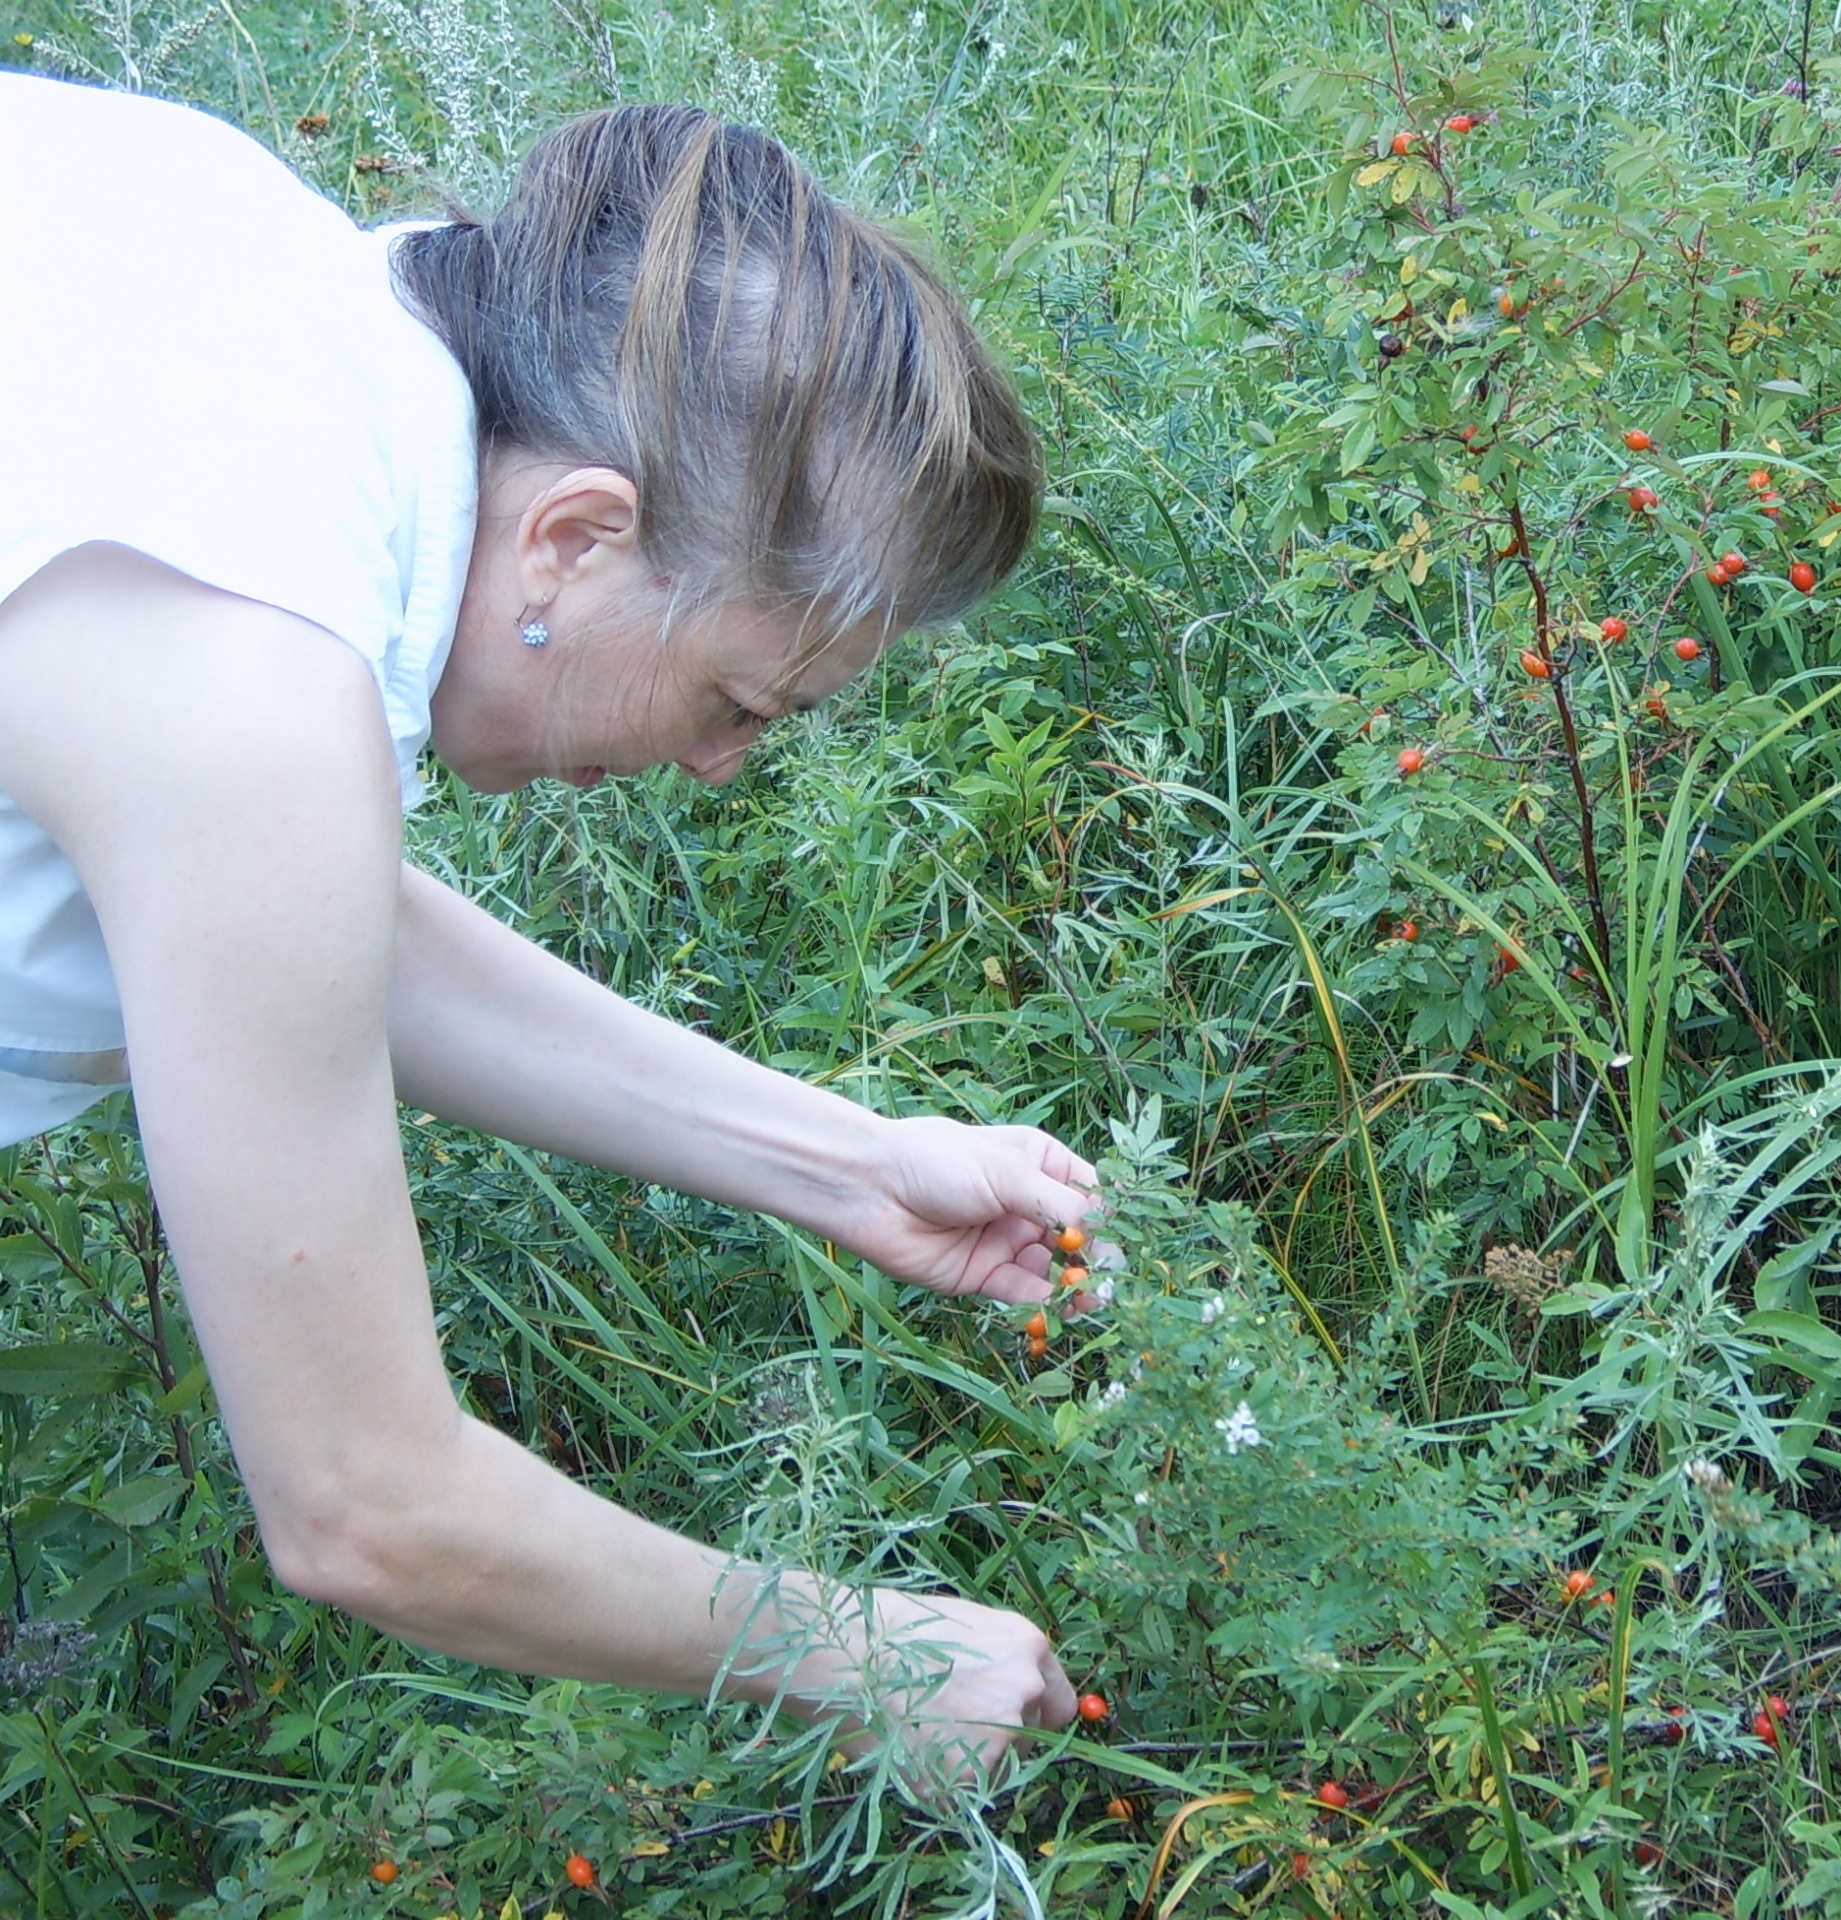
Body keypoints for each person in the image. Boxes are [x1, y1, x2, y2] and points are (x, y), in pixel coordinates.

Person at [0, 74, 1089, 1780]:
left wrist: (855, 1167)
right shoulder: (255, 672)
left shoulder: (257, 276)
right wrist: (861, 1656)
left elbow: (297, 934)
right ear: (575, 535)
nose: (719, 765)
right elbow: (369, 1503)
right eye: (741, 699)